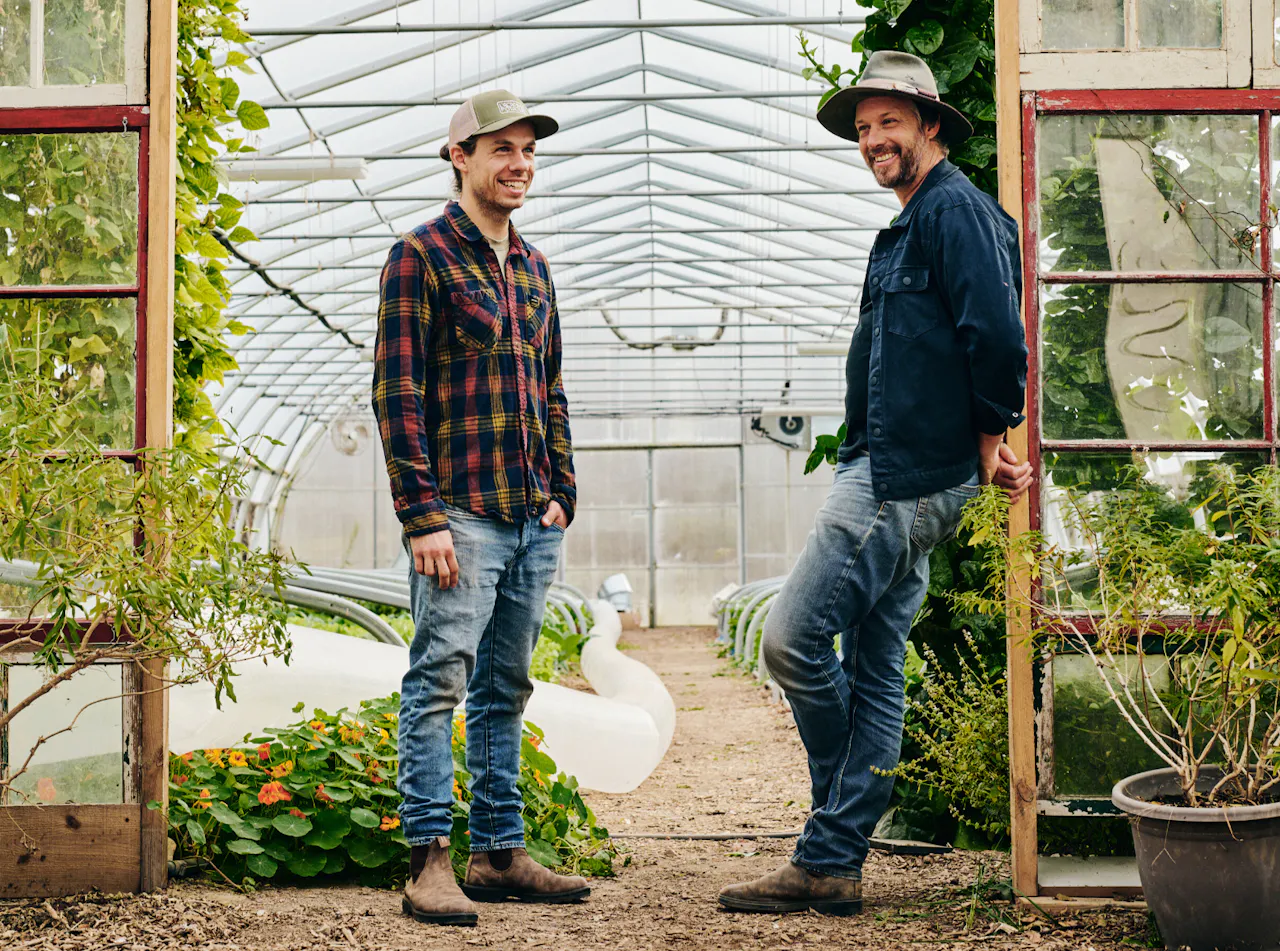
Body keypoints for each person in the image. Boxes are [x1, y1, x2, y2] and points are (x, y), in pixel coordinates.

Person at [718, 51, 1032, 916]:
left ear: (929, 123)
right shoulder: (910, 221)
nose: (872, 140)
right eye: (862, 129)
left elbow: (999, 341)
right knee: (881, 664)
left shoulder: (954, 213)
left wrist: (990, 441)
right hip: (898, 463)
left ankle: (834, 822)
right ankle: (835, 859)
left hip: (899, 476)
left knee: (789, 639)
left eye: (888, 121)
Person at [372, 89, 584, 928]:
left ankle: (499, 851)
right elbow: (398, 394)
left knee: (506, 687)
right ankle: (429, 860)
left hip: (533, 515)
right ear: (458, 156)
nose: (519, 164)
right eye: (502, 149)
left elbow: (553, 387)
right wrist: (422, 516)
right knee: (437, 683)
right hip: (460, 513)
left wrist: (564, 490)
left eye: (528, 150)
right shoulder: (419, 255)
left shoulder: (533, 266)